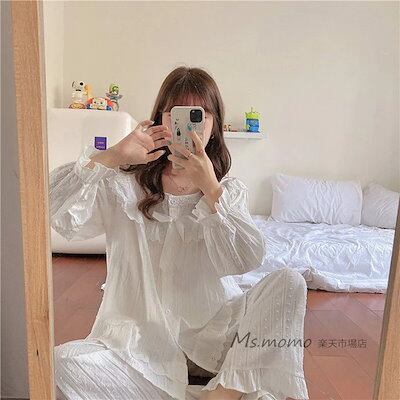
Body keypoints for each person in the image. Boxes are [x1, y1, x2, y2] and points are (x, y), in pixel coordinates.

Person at [51, 66, 309, 400]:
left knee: (290, 282)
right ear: (160, 119)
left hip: (217, 338)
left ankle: (223, 393)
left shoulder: (227, 191)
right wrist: (114, 156)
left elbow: (246, 259)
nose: (187, 125)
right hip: (140, 347)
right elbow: (54, 211)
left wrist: (210, 188)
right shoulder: (123, 185)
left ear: (214, 125)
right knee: (63, 363)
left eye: (198, 115)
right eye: (176, 114)